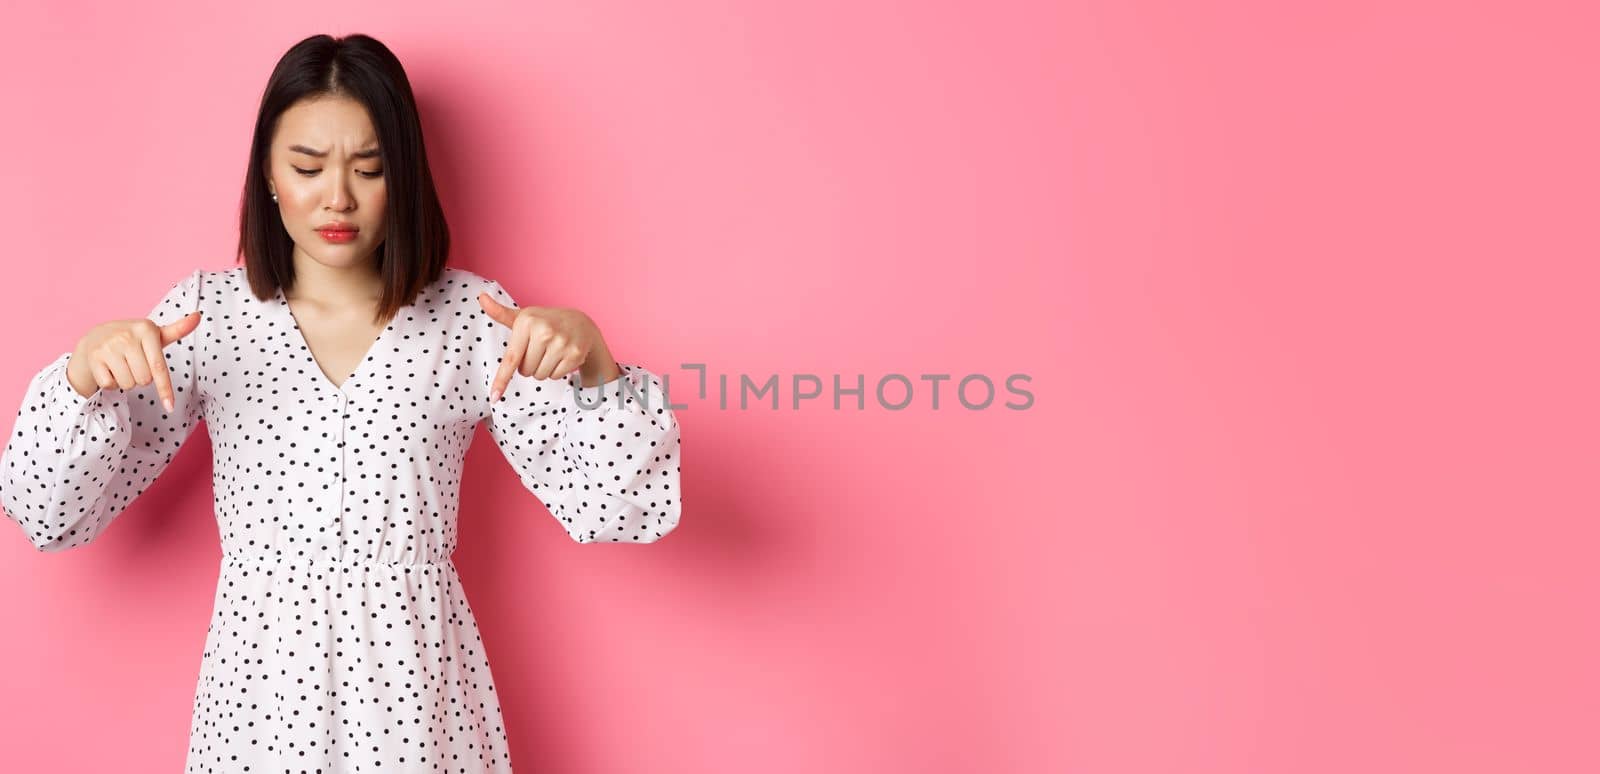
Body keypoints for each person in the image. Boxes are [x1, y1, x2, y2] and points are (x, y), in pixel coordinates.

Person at [0, 33, 682, 772]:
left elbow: (620, 509)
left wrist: (596, 362)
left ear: (406, 176)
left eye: (370, 167)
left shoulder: (472, 319)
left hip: (416, 691)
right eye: (307, 165)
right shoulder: (209, 318)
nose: (338, 198)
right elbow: (47, 513)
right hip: (258, 694)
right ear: (267, 171)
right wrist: (81, 381)